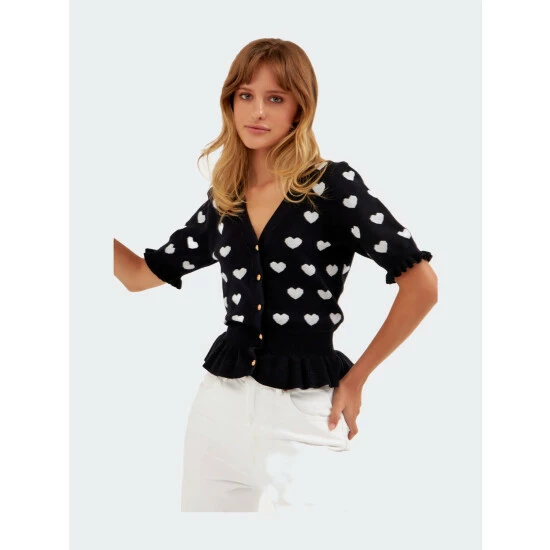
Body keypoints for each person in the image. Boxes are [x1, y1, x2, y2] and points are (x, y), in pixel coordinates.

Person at [113, 37, 438, 513]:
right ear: (230, 102)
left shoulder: (332, 187)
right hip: (217, 411)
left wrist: (357, 378)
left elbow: (421, 285)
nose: (258, 111)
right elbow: (139, 276)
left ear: (299, 108)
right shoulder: (226, 198)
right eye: (246, 95)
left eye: (275, 98)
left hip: (304, 414)